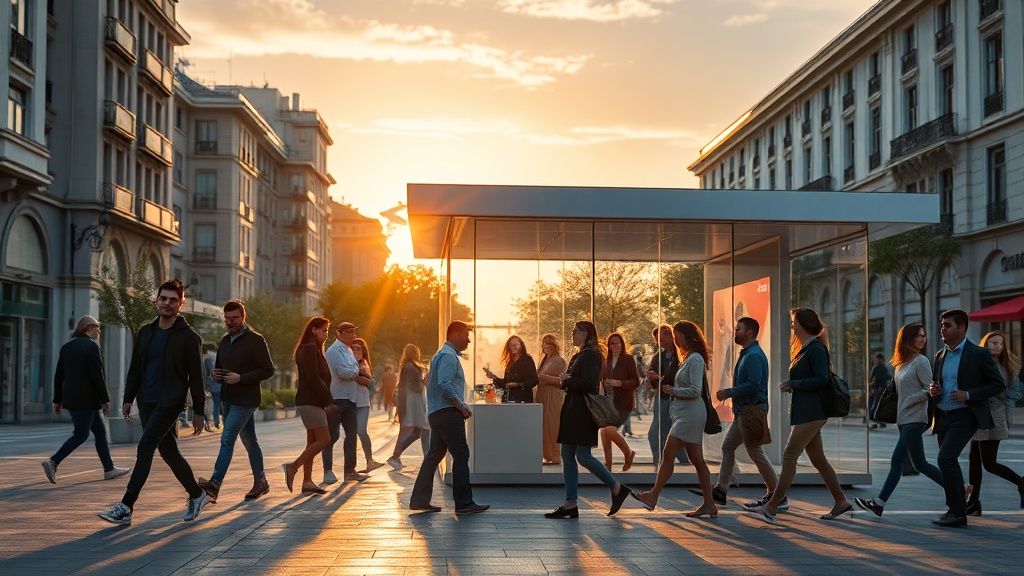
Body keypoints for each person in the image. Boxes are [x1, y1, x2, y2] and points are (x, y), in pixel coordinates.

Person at [98, 279, 209, 526]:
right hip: (146, 401)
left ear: (180, 305)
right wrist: (128, 398)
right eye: (163, 298)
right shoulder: (145, 332)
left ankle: (126, 506)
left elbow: (196, 377)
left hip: (170, 403)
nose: (167, 303)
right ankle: (197, 493)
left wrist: (199, 411)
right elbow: (135, 368)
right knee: (169, 452)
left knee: (145, 447)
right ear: (156, 301)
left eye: (173, 300)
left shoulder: (189, 337)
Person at [748, 307, 852, 525]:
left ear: (804, 324)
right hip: (807, 412)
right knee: (819, 460)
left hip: (812, 413)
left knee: (789, 457)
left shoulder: (815, 349)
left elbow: (822, 379)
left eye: (794, 322)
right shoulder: (806, 347)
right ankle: (841, 501)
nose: (792, 326)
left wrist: (793, 384)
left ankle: (772, 506)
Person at [854, 323, 943, 517]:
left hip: (916, 417)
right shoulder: (901, 364)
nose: (923, 339)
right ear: (907, 339)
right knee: (920, 464)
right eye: (919, 336)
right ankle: (958, 488)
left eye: (924, 336)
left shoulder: (921, 361)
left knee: (897, 461)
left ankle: (879, 503)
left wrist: (911, 399)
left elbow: (931, 388)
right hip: (903, 418)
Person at [545, 320, 631, 519]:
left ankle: (616, 487)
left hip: (582, 412)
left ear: (585, 333)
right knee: (568, 454)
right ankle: (570, 502)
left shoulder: (591, 355)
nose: (573, 334)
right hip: (573, 410)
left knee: (582, 456)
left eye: (575, 331)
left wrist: (567, 380)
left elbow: (589, 384)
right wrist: (566, 380)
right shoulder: (579, 355)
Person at [929, 309, 1006, 527]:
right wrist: (934, 390)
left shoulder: (978, 354)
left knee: (945, 458)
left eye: (947, 325)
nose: (942, 329)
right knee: (947, 462)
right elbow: (938, 383)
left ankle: (958, 512)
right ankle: (954, 509)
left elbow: (997, 385)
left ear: (962, 327)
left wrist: (969, 395)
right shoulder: (940, 355)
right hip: (943, 414)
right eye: (942, 324)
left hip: (965, 414)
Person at [631, 321, 716, 517]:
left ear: (687, 336)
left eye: (677, 336)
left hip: (690, 415)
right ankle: (709, 504)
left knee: (669, 453)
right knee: (697, 460)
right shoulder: (687, 358)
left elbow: (695, 390)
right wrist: (664, 384)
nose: (675, 340)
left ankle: (653, 496)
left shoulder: (695, 359)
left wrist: (672, 390)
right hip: (686, 413)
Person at [197, 300, 275, 503]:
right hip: (227, 399)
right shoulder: (223, 341)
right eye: (227, 319)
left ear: (243, 318)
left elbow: (268, 370)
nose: (230, 323)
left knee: (227, 438)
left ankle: (214, 484)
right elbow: (221, 367)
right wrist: (216, 374)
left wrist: (241, 378)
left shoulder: (256, 340)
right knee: (250, 442)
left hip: (246, 400)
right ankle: (261, 482)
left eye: (234, 319)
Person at [409, 321, 489, 514]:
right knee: (461, 455)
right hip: (448, 413)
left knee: (434, 455)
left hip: (438, 413)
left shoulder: (439, 355)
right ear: (454, 334)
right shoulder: (448, 356)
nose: (468, 340)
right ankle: (463, 503)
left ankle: (419, 499)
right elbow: (444, 385)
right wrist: (461, 406)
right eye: (465, 335)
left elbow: (431, 382)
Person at [42, 315, 130, 484]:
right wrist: (105, 399)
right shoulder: (91, 347)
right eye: (97, 327)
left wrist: (57, 400)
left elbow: (59, 376)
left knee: (100, 432)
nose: (99, 330)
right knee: (81, 434)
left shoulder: (67, 348)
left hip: (72, 400)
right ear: (89, 328)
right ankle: (53, 461)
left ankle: (109, 469)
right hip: (87, 401)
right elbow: (97, 376)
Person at [709, 317, 779, 510]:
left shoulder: (754, 355)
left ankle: (778, 495)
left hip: (752, 410)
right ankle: (721, 491)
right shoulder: (748, 353)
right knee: (728, 446)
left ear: (749, 332)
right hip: (744, 411)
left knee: (755, 451)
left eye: (738, 329)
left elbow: (755, 384)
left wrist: (729, 392)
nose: (735, 332)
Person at [964, 330, 1024, 514]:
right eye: (993, 343)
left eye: (1000, 343)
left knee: (989, 463)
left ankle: (1021, 483)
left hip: (995, 416)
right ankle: (973, 502)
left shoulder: (1007, 366)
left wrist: (999, 402)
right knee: (974, 459)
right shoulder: (982, 362)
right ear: (985, 344)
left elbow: (1014, 392)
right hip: (980, 414)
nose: (997, 346)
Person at [281, 317, 334, 495]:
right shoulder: (310, 349)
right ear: (314, 330)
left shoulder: (311, 349)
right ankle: (293, 467)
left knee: (312, 442)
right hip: (311, 401)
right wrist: (328, 399)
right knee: (324, 439)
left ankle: (307, 482)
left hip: (311, 400)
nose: (326, 334)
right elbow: (313, 378)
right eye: (324, 330)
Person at [322, 321, 371, 483]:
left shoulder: (349, 351)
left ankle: (350, 470)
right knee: (332, 436)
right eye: (350, 332)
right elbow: (344, 372)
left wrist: (356, 371)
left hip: (350, 399)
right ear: (340, 333)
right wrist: (358, 371)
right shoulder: (334, 351)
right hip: (336, 399)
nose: (354, 336)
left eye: (354, 332)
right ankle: (327, 470)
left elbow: (353, 371)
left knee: (351, 435)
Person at [647, 325, 688, 467]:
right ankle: (659, 462)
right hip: (663, 398)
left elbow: (678, 378)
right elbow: (653, 379)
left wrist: (659, 378)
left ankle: (670, 463)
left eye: (665, 335)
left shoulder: (682, 354)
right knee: (656, 433)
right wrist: (652, 378)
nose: (662, 340)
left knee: (670, 433)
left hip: (677, 398)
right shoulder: (659, 356)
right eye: (658, 338)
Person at [387, 344, 430, 470]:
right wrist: (423, 381)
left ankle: (396, 457)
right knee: (422, 428)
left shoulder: (406, 366)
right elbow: (414, 386)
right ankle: (395, 457)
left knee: (418, 431)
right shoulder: (411, 367)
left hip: (411, 400)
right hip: (414, 401)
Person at [600, 333, 638, 472]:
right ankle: (608, 464)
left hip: (623, 403)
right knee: (604, 432)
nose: (614, 346)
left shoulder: (628, 359)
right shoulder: (606, 360)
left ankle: (628, 452)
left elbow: (635, 382)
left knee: (609, 430)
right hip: (608, 402)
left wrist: (619, 383)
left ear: (622, 344)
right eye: (611, 343)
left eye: (616, 343)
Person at [352, 337, 385, 473]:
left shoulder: (364, 363)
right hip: (350, 401)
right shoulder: (348, 361)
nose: (355, 350)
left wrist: (361, 370)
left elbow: (368, 380)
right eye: (353, 348)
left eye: (359, 348)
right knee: (351, 434)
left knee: (361, 431)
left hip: (363, 402)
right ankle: (352, 467)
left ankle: (369, 461)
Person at [535, 334, 566, 465]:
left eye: (549, 343)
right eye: (545, 343)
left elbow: (561, 381)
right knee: (544, 426)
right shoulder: (544, 360)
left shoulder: (559, 360)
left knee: (553, 426)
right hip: (542, 394)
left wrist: (542, 377)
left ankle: (556, 456)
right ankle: (547, 456)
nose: (547, 346)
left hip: (553, 395)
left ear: (555, 345)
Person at [484, 335, 538, 403]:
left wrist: (519, 384)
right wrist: (493, 377)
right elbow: (506, 383)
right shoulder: (510, 361)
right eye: (510, 346)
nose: (513, 347)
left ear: (521, 345)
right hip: (509, 398)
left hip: (522, 399)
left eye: (515, 345)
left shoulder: (527, 359)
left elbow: (534, 379)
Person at [868, 353, 891, 429]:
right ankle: (880, 421)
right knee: (879, 405)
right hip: (882, 388)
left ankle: (875, 418)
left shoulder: (876, 367)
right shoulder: (885, 367)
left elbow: (871, 378)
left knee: (875, 404)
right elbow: (889, 377)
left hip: (878, 389)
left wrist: (872, 388)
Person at [204, 346, 222, 430]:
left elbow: (207, 374)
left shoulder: (207, 360)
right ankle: (222, 421)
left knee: (216, 404)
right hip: (220, 384)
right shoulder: (217, 358)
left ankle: (216, 422)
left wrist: (206, 386)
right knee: (221, 404)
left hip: (213, 385)